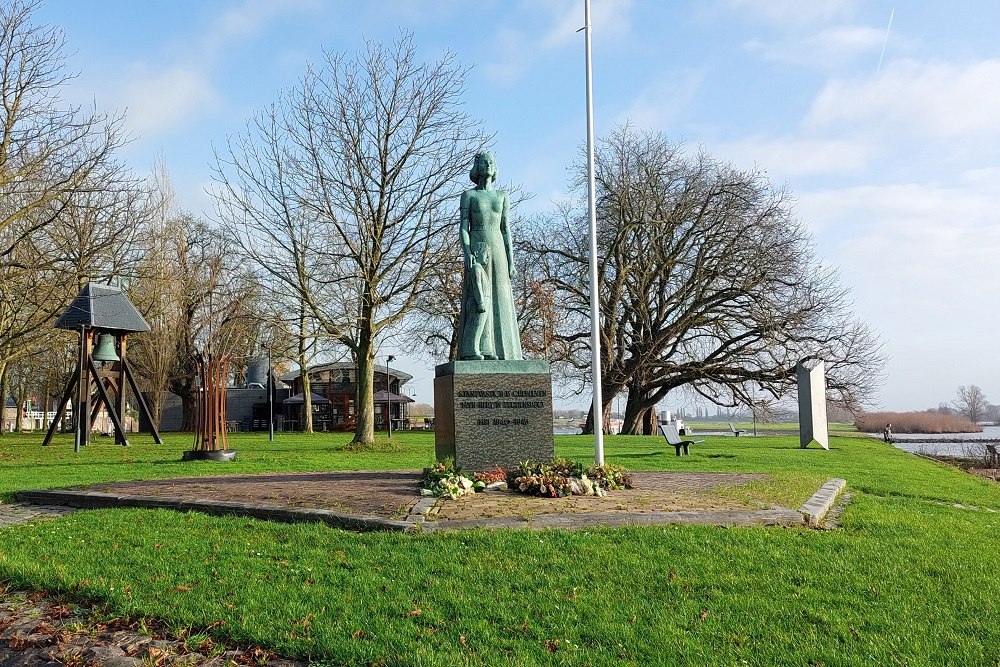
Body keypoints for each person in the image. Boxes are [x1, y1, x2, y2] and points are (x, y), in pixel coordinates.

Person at [457, 152, 523, 360]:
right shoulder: (469, 195)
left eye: (490, 162)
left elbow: (506, 230)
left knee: (501, 296)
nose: (486, 165)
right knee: (480, 298)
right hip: (479, 248)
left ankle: (508, 352)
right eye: (482, 162)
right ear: (477, 168)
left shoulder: (502, 196)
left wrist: (511, 261)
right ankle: (479, 349)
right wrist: (467, 253)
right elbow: (463, 227)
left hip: (499, 250)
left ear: (494, 168)